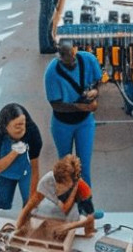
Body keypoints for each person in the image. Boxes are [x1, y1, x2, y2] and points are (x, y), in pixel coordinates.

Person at [44, 41, 102, 185]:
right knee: (66, 168)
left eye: (74, 57)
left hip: (85, 123)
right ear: (59, 57)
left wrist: (95, 91)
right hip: (63, 125)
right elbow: (55, 104)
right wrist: (80, 107)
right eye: (68, 62)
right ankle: (66, 202)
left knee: (83, 168)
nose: (73, 63)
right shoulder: (52, 73)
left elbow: (97, 80)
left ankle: (85, 204)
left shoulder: (88, 59)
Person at [15, 154, 97, 239]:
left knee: (84, 226)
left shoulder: (83, 189)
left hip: (71, 214)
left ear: (73, 182)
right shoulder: (48, 180)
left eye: (63, 186)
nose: (58, 189)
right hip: (56, 209)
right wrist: (18, 225)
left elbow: (90, 219)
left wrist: (69, 226)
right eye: (57, 184)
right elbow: (31, 203)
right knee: (32, 215)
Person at [0, 103, 44, 213]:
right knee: (2, 206)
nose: (21, 129)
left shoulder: (32, 133)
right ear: (5, 127)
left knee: (30, 205)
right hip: (4, 174)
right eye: (16, 126)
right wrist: (14, 153)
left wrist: (31, 203)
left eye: (22, 124)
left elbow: (35, 168)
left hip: (25, 173)